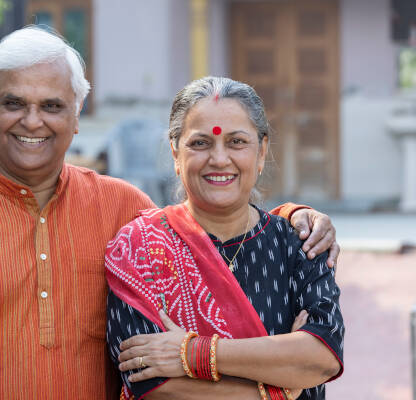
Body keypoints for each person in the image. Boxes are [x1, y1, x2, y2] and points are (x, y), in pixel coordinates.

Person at [0, 27, 339, 399]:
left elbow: (207, 228)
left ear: (76, 117)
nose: (33, 121)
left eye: (53, 106)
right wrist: (280, 389)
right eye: (14, 103)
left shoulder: (124, 209)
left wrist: (293, 219)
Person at [105, 77, 344, 399]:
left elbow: (321, 358)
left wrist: (194, 354)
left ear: (261, 152)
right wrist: (280, 390)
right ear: (176, 153)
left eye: (236, 142)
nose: (219, 159)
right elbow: (151, 383)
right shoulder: (140, 249)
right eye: (201, 143)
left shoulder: (299, 244)